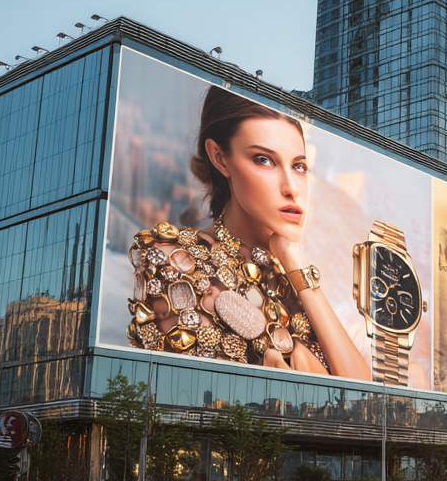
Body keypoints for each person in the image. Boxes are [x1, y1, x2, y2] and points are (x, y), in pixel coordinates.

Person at [125, 87, 369, 380]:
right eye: (264, 160)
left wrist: (294, 259)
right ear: (220, 158)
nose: (291, 188)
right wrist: (305, 362)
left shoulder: (290, 278)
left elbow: (366, 397)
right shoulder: (174, 259)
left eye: (299, 166)